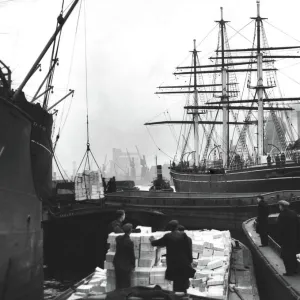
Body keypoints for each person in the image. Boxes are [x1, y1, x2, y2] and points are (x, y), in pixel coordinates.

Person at [149, 220, 194, 293]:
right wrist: (190, 262)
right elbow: (189, 252)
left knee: (177, 286)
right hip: (185, 264)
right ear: (177, 226)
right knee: (184, 285)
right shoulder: (186, 237)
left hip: (174, 265)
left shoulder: (168, 236)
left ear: (170, 228)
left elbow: (157, 243)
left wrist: (152, 240)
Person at [277, 200, 299, 276]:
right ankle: (295, 270)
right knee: (293, 254)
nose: (279, 207)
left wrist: (279, 239)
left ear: (282, 206)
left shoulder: (282, 215)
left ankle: (289, 271)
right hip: (293, 237)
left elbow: (280, 228)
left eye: (279, 206)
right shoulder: (293, 213)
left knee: (285, 256)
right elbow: (298, 225)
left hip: (285, 238)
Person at [113, 223, 135, 289]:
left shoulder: (118, 239)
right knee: (126, 284)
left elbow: (119, 237)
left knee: (118, 282)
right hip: (126, 265)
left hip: (117, 263)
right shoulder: (130, 242)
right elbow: (132, 255)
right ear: (131, 231)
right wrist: (133, 265)